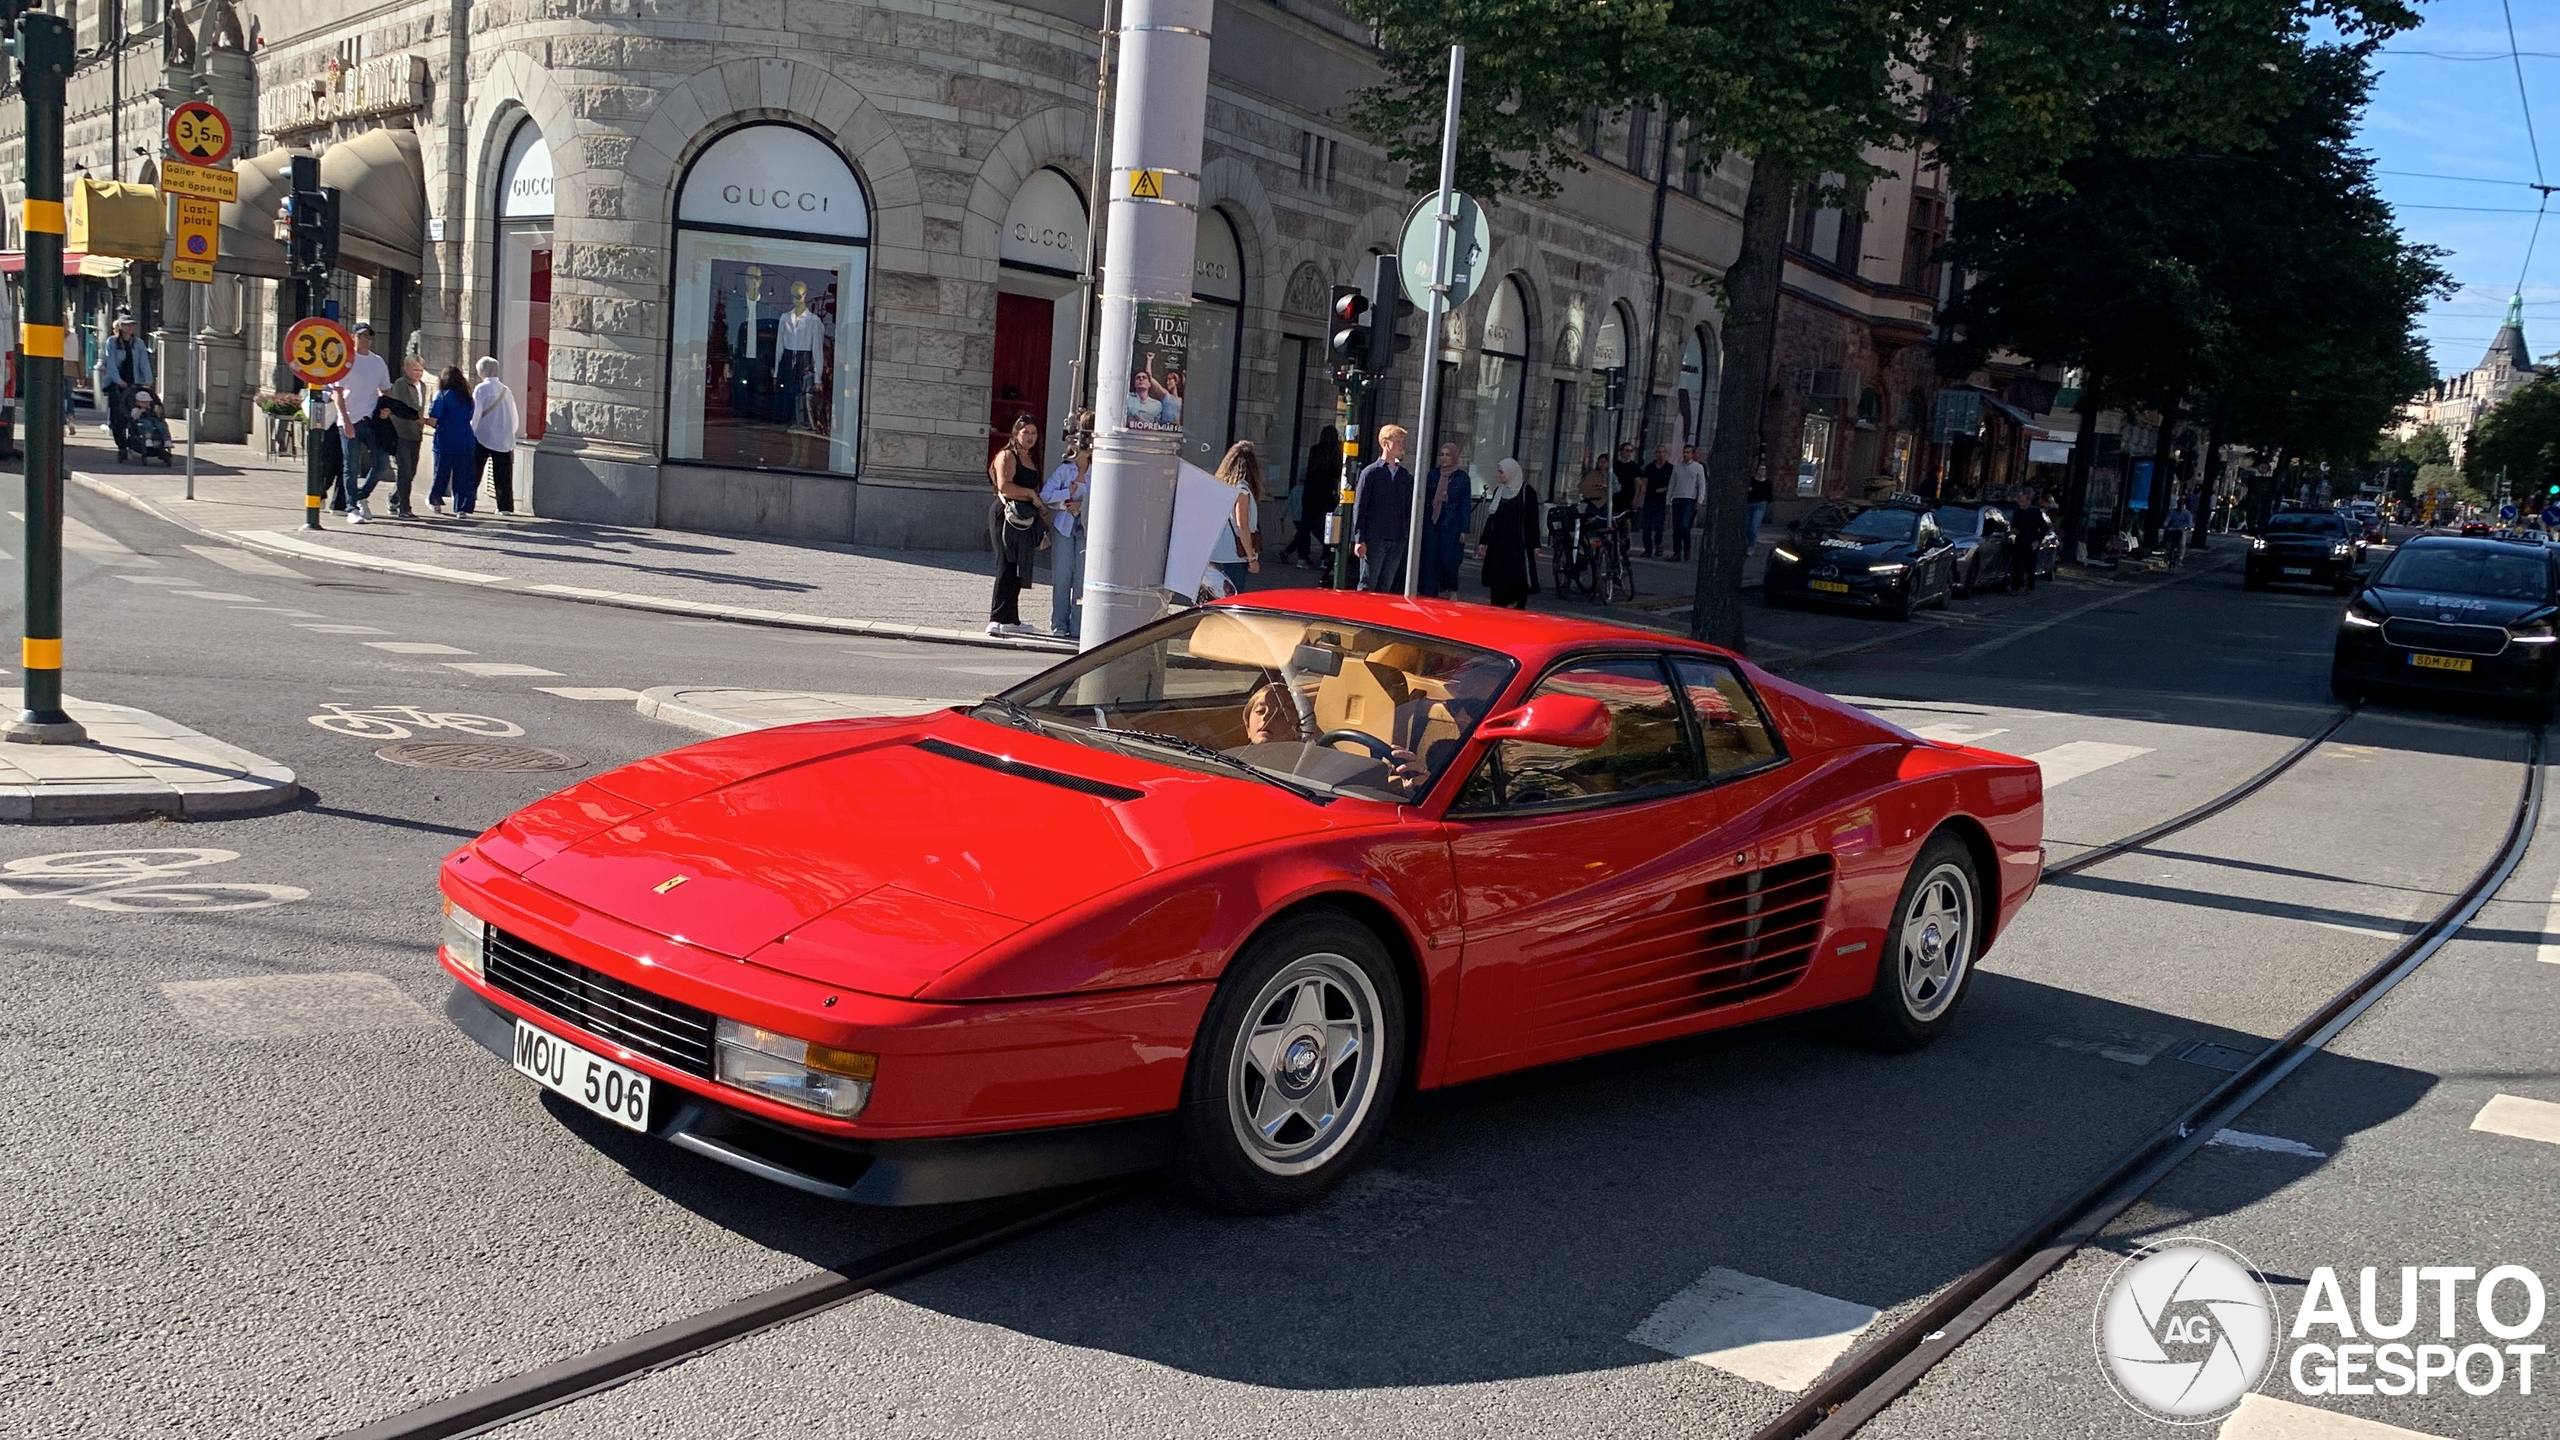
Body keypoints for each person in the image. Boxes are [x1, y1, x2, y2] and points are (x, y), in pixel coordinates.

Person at [327, 322, 394, 521]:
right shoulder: (345, 361)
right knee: (351, 465)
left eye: (369, 336)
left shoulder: (378, 362)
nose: (366, 340)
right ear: (353, 337)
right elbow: (337, 393)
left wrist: (385, 408)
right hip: (350, 419)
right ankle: (351, 508)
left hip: (371, 420)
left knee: (381, 462)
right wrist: (346, 420)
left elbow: (385, 390)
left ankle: (360, 496)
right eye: (362, 336)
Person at [986, 414, 1045, 635]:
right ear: (1015, 433)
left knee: (1019, 565)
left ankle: (1011, 618)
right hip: (1006, 514)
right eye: (1025, 432)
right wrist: (1030, 493)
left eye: (1034, 433)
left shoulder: (1031, 458)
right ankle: (995, 617)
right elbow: (1005, 487)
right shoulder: (1007, 455)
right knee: (1005, 563)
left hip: (1025, 518)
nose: (1030, 437)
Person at [1039, 411, 1093, 640]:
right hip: (1063, 528)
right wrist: (1066, 494)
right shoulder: (1065, 469)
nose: (1088, 449)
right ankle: (1058, 623)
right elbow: (1045, 496)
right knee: (1062, 577)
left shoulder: (1100, 470)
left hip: (1086, 529)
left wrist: (1082, 504)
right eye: (1085, 444)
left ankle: (1078, 625)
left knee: (1082, 579)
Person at [1352, 424, 1414, 593]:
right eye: (1398, 441)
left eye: (1402, 441)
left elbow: (1407, 507)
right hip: (1375, 538)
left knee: (1385, 587)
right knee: (1367, 585)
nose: (1402, 445)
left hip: (1397, 538)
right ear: (1386, 444)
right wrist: (1359, 539)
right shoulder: (1370, 473)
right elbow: (1360, 507)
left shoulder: (1404, 475)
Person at [1476, 458, 1539, 609]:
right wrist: (1483, 541)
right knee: (1497, 580)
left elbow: (1533, 520)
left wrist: (1535, 544)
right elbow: (1492, 518)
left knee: (1517, 580)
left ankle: (1517, 608)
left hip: (1517, 545)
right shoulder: (1499, 491)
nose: (1499, 475)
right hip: (1498, 546)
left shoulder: (1526, 492)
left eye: (1501, 472)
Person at [96, 309, 153, 462]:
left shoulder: (139, 343)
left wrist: (147, 381)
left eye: (132, 325)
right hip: (118, 383)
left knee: (135, 413)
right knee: (118, 417)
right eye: (127, 325)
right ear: (120, 327)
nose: (130, 328)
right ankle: (121, 446)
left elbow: (143, 363)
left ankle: (133, 442)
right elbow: (111, 362)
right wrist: (117, 380)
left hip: (134, 382)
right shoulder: (112, 342)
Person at [1209, 440, 1266, 593]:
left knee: (1216, 600)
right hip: (1233, 557)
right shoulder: (1242, 490)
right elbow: (1242, 527)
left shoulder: (1223, 488)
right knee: (1233, 599)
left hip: (1215, 554)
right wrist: (1251, 558)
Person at [1417, 441, 1472, 597]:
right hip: (1432, 521)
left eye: (1448, 455)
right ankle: (1430, 592)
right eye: (1442, 454)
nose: (1444, 458)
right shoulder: (1433, 475)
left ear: (1454, 456)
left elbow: (1465, 504)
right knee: (1430, 557)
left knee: (1449, 559)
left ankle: (1450, 588)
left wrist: (1464, 529)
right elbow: (1425, 495)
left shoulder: (1462, 478)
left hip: (1452, 523)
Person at [425, 367, 481, 517]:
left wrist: (420, 420)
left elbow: (433, 420)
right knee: (462, 476)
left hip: (444, 441)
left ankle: (435, 500)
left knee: (441, 474)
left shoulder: (441, 396)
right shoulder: (468, 398)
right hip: (465, 441)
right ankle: (461, 508)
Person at [471, 357, 521, 515]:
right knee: (504, 474)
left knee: (474, 471)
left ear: (482, 371)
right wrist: (511, 433)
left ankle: (468, 502)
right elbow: (514, 416)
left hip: (483, 435)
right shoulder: (506, 390)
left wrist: (471, 430)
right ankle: (504, 506)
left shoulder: (481, 389)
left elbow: (476, 413)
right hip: (504, 437)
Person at [382, 357, 428, 518]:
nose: (418, 374)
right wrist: (420, 419)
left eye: (421, 370)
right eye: (415, 370)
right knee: (405, 470)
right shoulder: (401, 384)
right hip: (401, 432)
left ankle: (394, 497)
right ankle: (405, 507)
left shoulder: (422, 386)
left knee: (411, 471)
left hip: (416, 433)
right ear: (406, 369)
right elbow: (405, 407)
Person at [1288, 424, 1338, 568]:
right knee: (1328, 527)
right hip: (1326, 494)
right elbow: (1336, 473)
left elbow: (1311, 470)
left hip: (1310, 493)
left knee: (1305, 527)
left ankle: (1302, 558)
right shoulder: (1335, 452)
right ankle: (1325, 557)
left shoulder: (1315, 450)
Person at [1668, 444, 1706, 561]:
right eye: (1684, 452)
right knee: (1676, 527)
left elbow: (1701, 485)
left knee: (1685, 525)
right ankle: (1677, 552)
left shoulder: (1698, 467)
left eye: (1688, 452)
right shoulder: (1677, 467)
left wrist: (1700, 500)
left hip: (1690, 499)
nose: (1685, 454)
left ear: (1692, 454)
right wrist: (1668, 500)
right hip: (1677, 498)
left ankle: (1687, 548)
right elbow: (1672, 484)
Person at [2008, 489, 2050, 592]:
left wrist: (2038, 540)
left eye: (2022, 501)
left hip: (2032, 541)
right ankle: (2015, 587)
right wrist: (2014, 530)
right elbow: (2014, 524)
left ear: (2028, 501)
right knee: (2017, 564)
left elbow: (2044, 528)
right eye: (2019, 501)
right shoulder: (2017, 511)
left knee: (2030, 564)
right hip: (2020, 540)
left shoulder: (2035, 512)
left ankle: (2030, 585)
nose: (2020, 503)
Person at [1638, 444, 1674, 557]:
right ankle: (1647, 549)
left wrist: (1665, 489)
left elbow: (1673, 485)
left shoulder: (1670, 468)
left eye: (1663, 452)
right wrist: (1640, 497)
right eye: (1658, 452)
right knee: (1646, 526)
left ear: (1666, 453)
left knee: (1659, 525)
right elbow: (1644, 483)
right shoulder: (1649, 468)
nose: (1661, 454)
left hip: (1662, 501)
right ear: (1655, 454)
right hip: (1649, 499)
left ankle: (1658, 544)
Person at [1745, 462, 1772, 549]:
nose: (1762, 471)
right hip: (1750, 504)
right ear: (1757, 471)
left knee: (1754, 526)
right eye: (1761, 469)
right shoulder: (1752, 481)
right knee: (1747, 526)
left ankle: (1751, 546)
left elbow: (1769, 494)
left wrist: (1770, 501)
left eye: (1764, 470)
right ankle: (1746, 542)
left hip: (1760, 505)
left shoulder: (1767, 483)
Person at [2163, 494, 2194, 566]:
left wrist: (2188, 527)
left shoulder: (2187, 513)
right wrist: (2165, 525)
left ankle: (2180, 559)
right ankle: (2167, 555)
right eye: (2179, 504)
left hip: (2181, 530)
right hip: (2172, 529)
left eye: (2182, 504)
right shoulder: (2172, 512)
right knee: (2168, 543)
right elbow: (2167, 520)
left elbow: (2190, 523)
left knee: (2182, 544)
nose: (2180, 506)